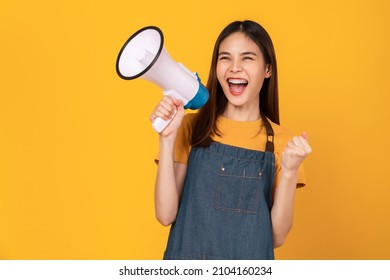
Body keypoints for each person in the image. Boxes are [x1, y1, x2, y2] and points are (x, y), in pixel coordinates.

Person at [149, 20, 312, 260]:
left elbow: (276, 238)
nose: (234, 67)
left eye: (247, 58)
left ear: (268, 69)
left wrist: (288, 172)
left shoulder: (284, 143)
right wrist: (167, 139)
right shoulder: (190, 127)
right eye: (225, 58)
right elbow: (165, 215)